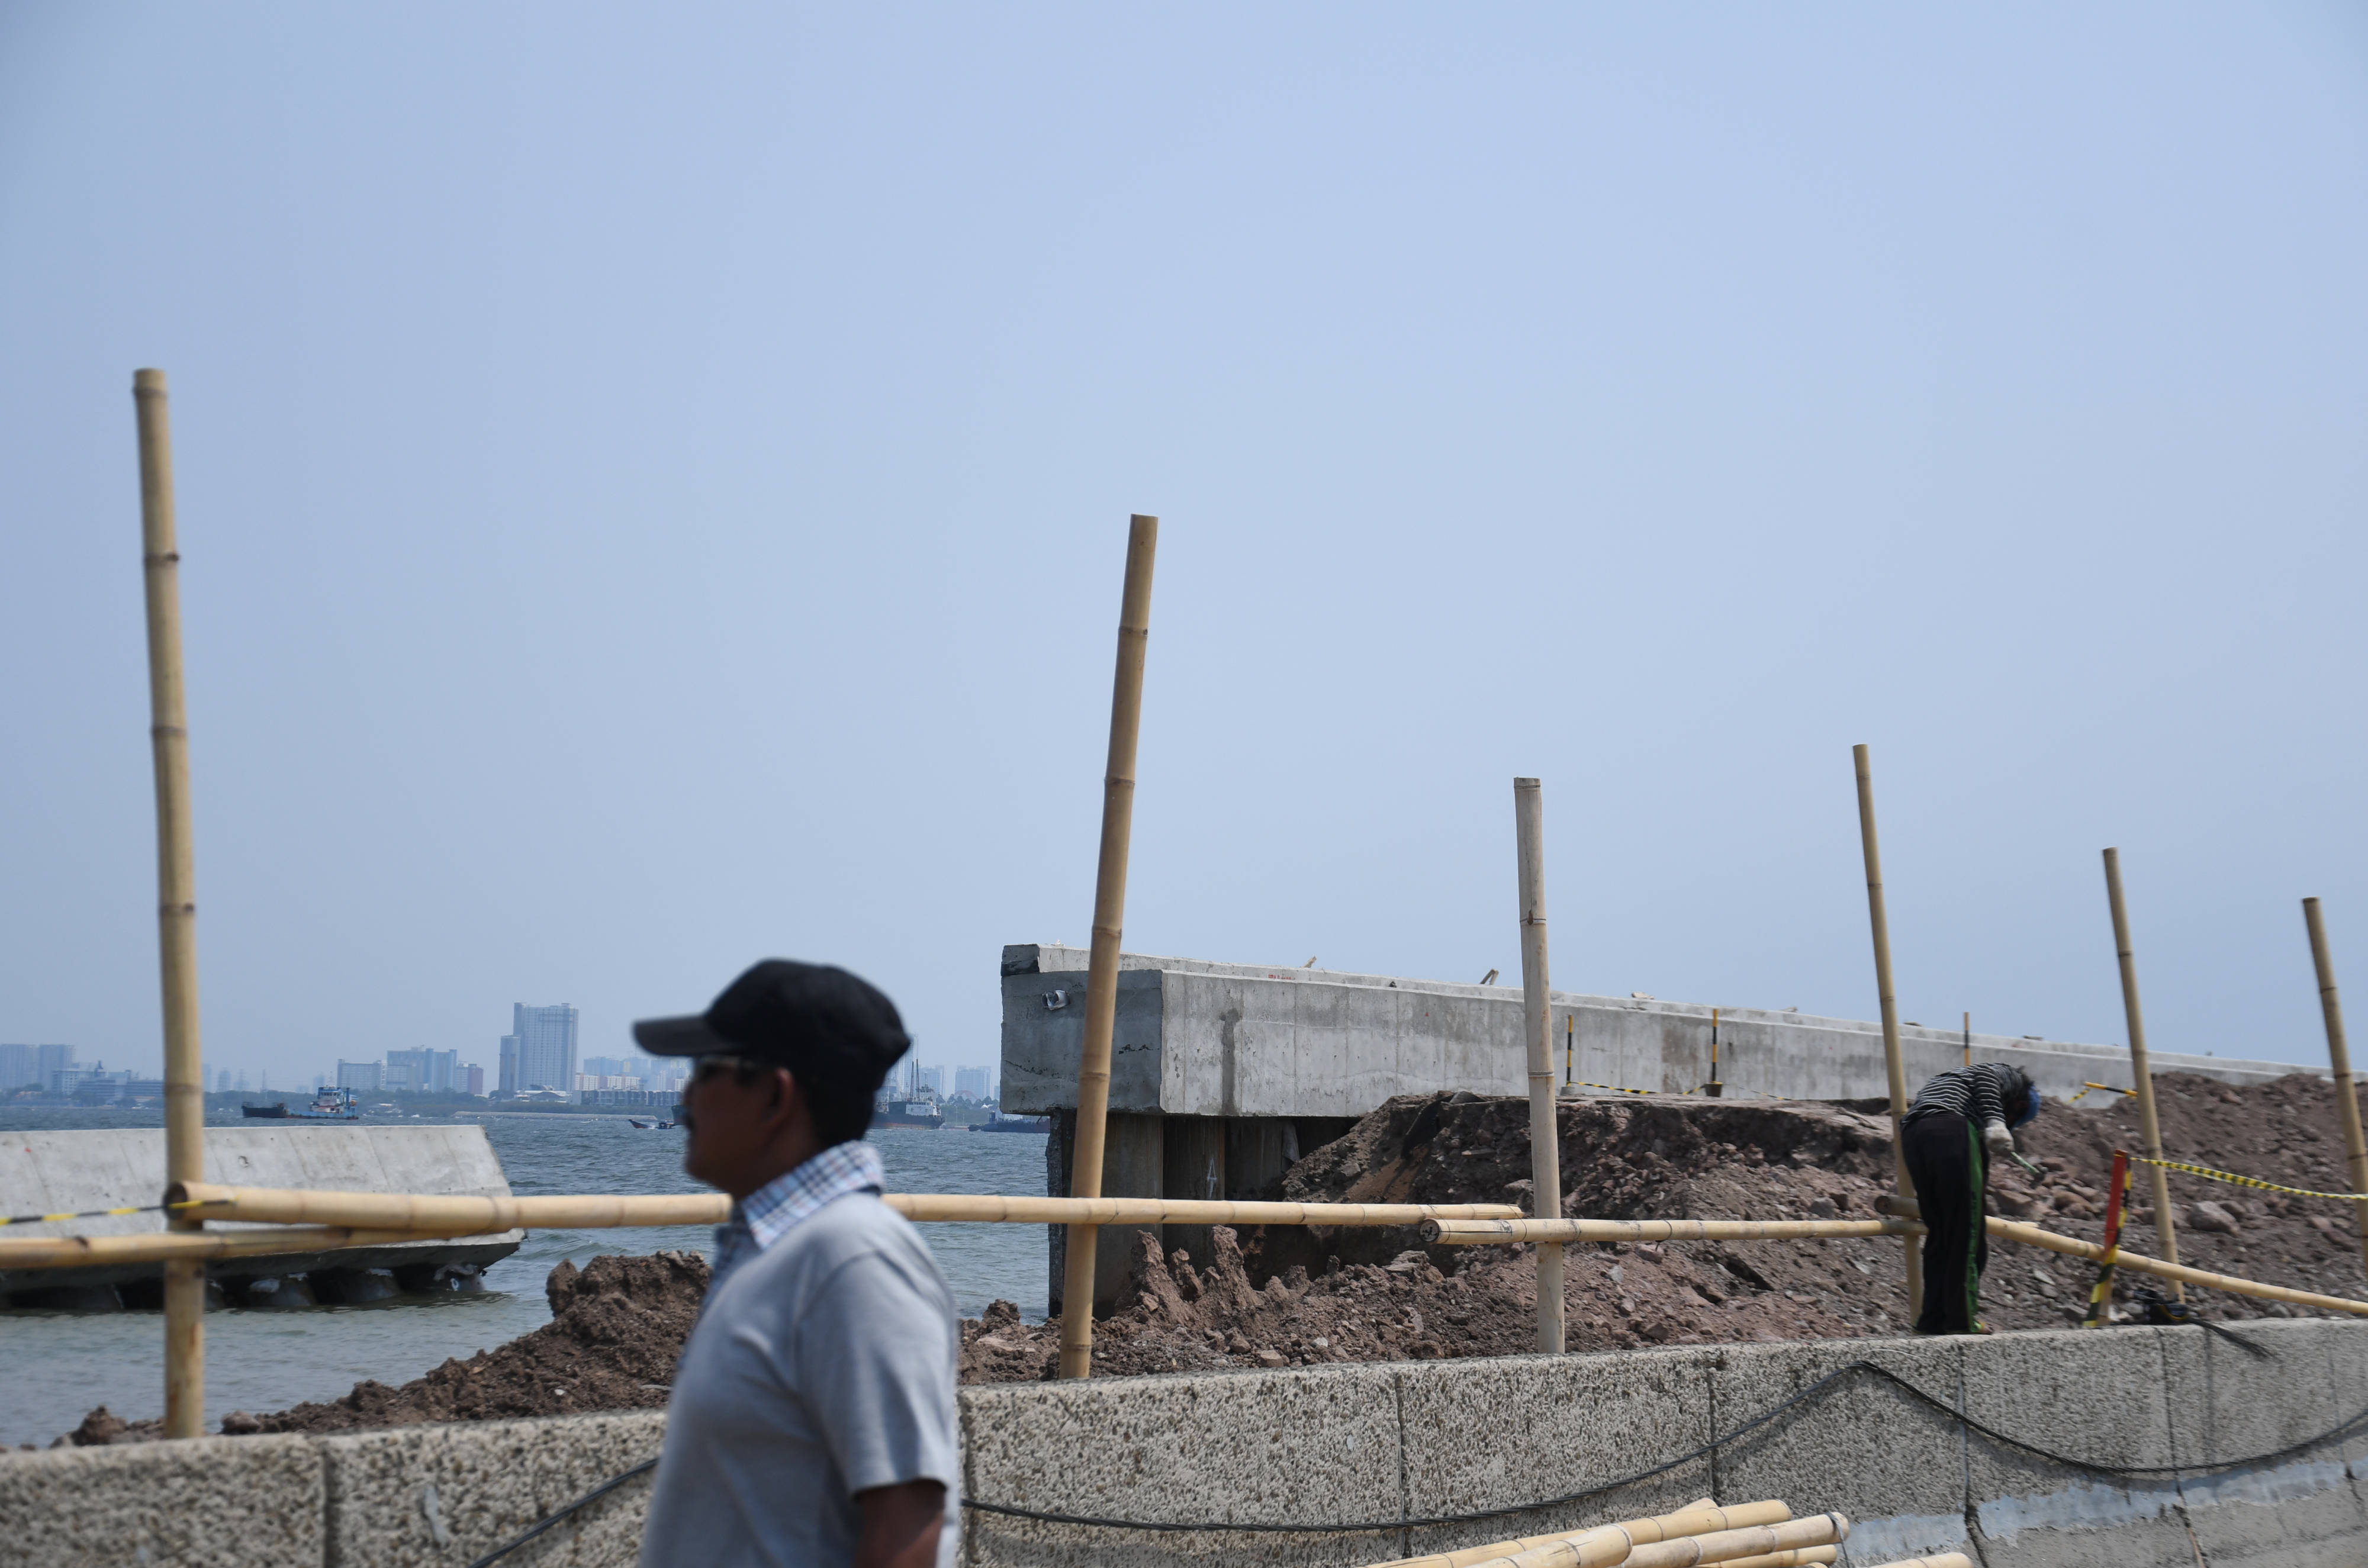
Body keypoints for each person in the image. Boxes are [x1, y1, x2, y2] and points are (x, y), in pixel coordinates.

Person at [635, 960, 958, 1568]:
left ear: (775, 1096)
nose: (686, 1095)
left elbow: (908, 1528)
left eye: (707, 1070)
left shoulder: (855, 1261)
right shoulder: (780, 1252)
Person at [1900, 1060, 2041, 1336]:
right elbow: (1985, 1075)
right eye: (2014, 1122)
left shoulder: (1950, 1080)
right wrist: (1997, 1123)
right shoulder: (2005, 1075)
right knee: (1967, 1234)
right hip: (1951, 1129)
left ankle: (1932, 1320)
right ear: (2019, 1106)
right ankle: (1961, 1320)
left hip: (1913, 1132)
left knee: (1941, 1233)